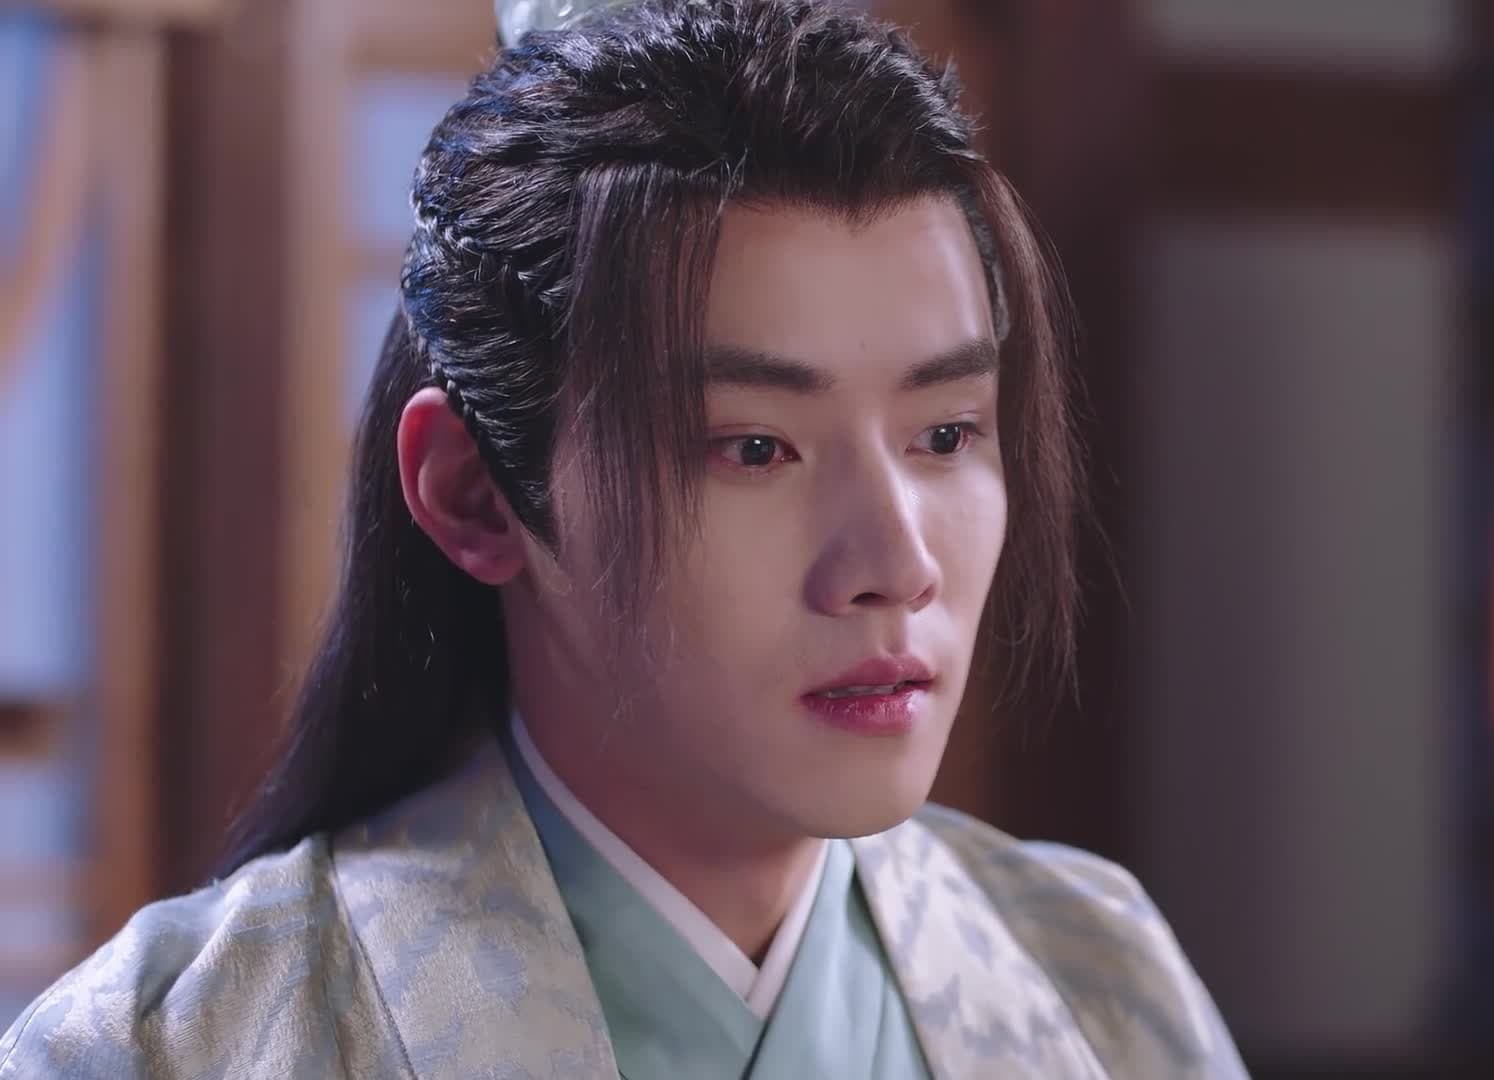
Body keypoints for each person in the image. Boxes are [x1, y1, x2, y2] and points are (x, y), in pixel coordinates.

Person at [0, 1, 1247, 1075]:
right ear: (474, 493)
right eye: (754, 449)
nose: (898, 566)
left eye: (945, 434)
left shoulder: (1096, 979)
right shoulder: (178, 1045)